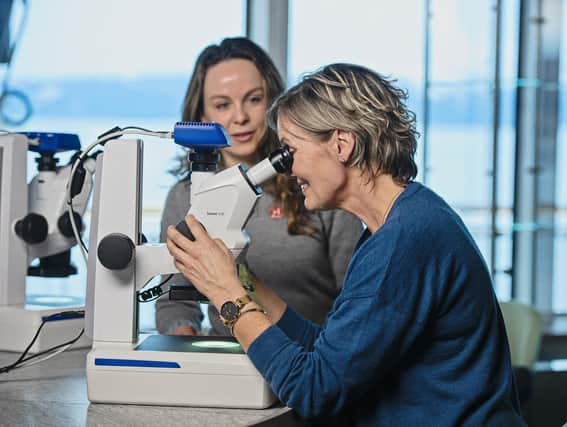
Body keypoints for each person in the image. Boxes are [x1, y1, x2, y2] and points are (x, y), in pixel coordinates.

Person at [166, 63, 526, 426]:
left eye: (290, 152)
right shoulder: (405, 219)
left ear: (341, 144)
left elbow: (314, 391)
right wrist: (242, 279)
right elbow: (331, 354)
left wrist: (226, 294)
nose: (288, 170)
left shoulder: (402, 243)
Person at [155, 38, 362, 336]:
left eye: (253, 99)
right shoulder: (185, 196)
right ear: (202, 116)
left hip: (308, 360)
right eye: (222, 105)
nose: (240, 117)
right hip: (226, 362)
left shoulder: (318, 187)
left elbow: (354, 299)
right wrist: (188, 362)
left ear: (274, 102)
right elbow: (174, 300)